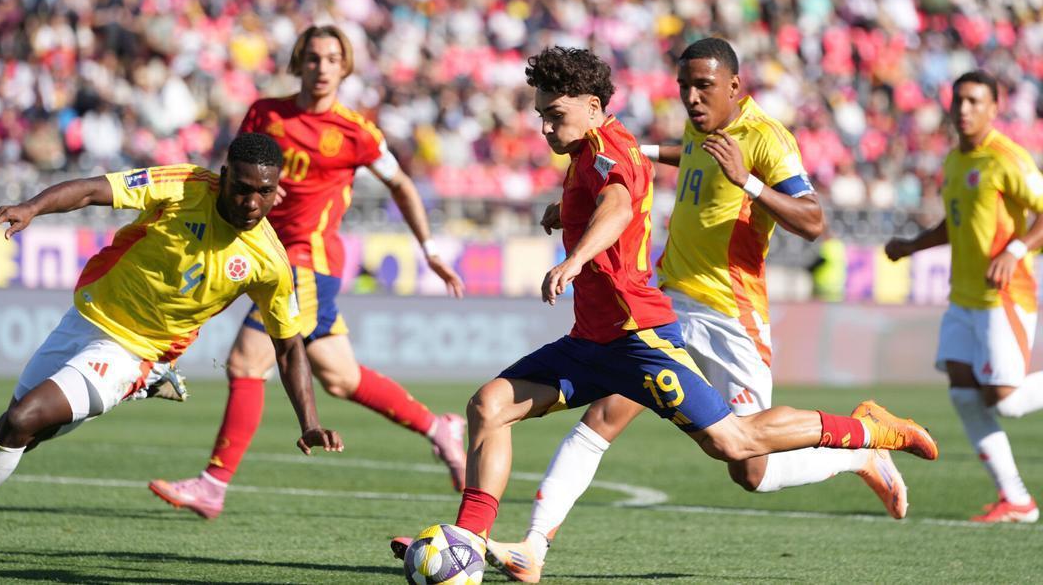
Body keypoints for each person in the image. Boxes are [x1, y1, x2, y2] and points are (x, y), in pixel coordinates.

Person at [398, 46, 937, 571]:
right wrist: (566, 211)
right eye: (540, 115)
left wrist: (575, 258)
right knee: (490, 406)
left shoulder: (626, 150)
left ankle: (872, 435)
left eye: (553, 115)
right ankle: (483, 541)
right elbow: (617, 186)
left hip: (653, 335)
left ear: (591, 105)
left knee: (739, 448)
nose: (543, 128)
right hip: (597, 339)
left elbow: (617, 202)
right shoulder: (600, 148)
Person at [0, 133, 343, 571]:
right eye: (242, 189)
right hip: (86, 319)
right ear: (223, 176)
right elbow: (91, 191)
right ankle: (146, 385)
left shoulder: (269, 261)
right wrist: (33, 207)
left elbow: (288, 347)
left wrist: (309, 421)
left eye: (265, 192)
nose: (252, 203)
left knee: (22, 422)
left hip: (134, 350)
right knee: (15, 430)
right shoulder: (182, 185)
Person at [149, 25, 466, 520]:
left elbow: (401, 183)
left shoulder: (356, 133)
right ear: (300, 63)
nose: (322, 68)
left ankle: (213, 484)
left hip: (306, 263)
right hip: (261, 251)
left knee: (247, 363)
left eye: (332, 59)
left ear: (346, 67)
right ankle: (438, 428)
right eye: (313, 58)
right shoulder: (265, 113)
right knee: (340, 377)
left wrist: (428, 248)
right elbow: (230, 175)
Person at [886, 70, 1043, 523]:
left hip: (1003, 296)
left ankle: (1017, 498)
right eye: (959, 101)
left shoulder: (1007, 159)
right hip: (964, 298)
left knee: (1005, 401)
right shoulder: (956, 160)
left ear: (995, 107)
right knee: (962, 392)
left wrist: (1015, 250)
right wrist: (911, 246)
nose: (964, 109)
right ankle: (1016, 498)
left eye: (975, 101)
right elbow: (953, 225)